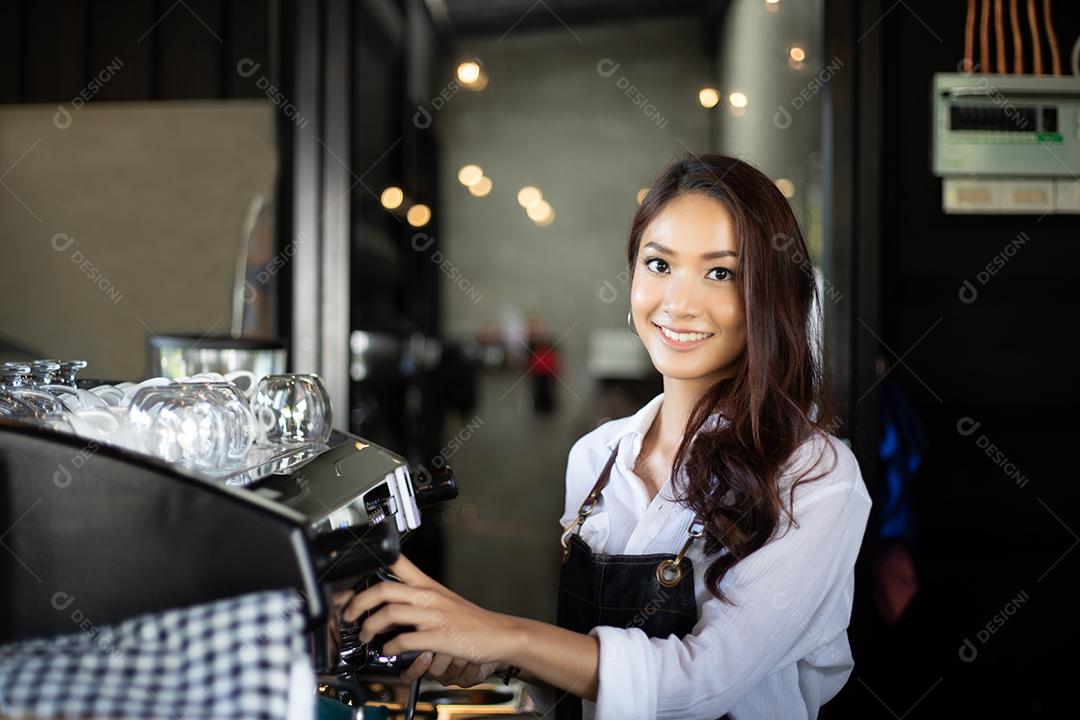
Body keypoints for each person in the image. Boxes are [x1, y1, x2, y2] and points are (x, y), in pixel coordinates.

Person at [341, 153, 872, 720]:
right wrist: (490, 656)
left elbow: (698, 683)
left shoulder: (817, 477)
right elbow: (594, 684)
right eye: (659, 264)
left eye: (721, 273)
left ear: (769, 297)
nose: (678, 303)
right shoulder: (596, 458)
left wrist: (504, 636)